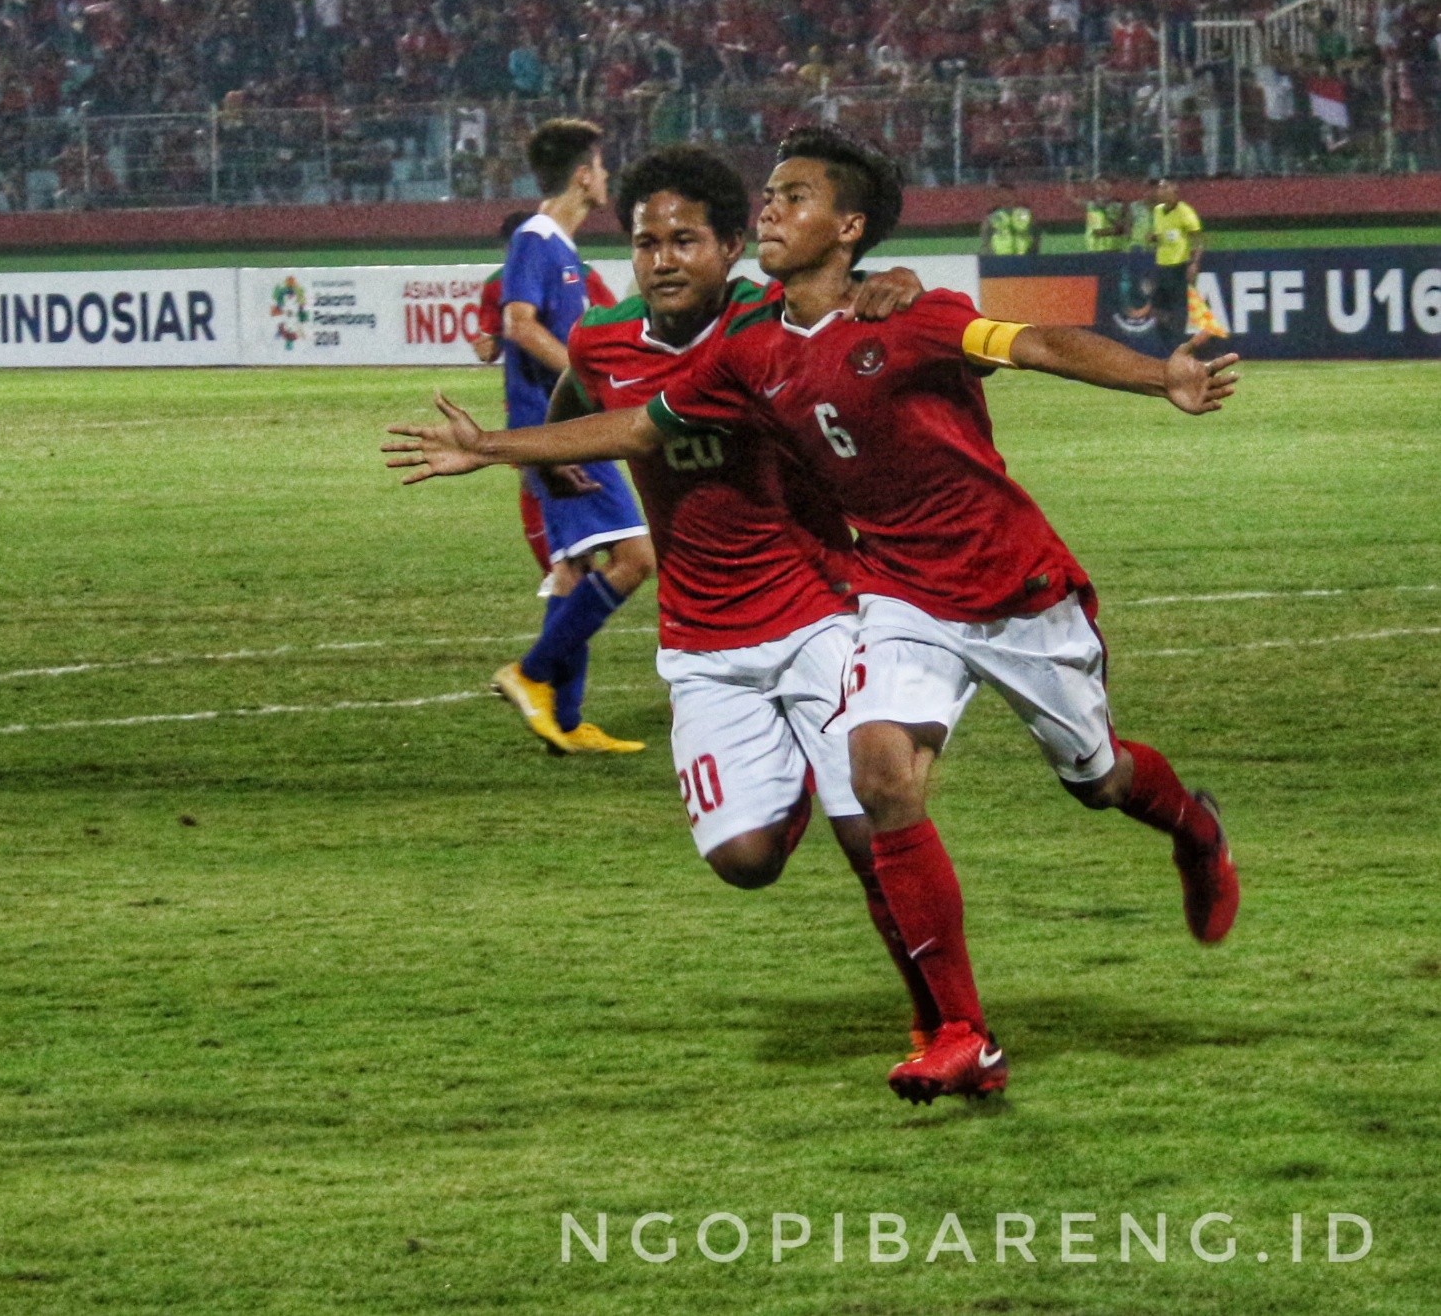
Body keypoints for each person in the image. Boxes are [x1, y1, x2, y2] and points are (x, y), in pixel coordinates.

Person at [385, 127, 1241, 1105]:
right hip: (890, 596)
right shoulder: (747, 351)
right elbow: (635, 422)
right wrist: (500, 445)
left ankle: (1190, 826)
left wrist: (1157, 374)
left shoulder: (909, 315)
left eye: (788, 198)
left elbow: (1037, 341)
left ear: (845, 227)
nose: (767, 212)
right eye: (768, 197)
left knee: (1096, 778)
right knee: (876, 784)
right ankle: (961, 1032)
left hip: (1012, 589)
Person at [528, 144, 951, 1052]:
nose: (662, 259)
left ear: (731, 248)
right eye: (645, 243)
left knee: (869, 837)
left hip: (818, 616)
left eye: (686, 240)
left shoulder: (775, 312)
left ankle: (941, 1022)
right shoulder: (605, 339)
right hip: (702, 642)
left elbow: (867, 290)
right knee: (744, 863)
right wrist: (562, 455)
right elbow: (574, 389)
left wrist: (896, 281)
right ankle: (791, 783)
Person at [490, 118, 653, 756]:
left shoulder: (561, 249)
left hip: (568, 428)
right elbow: (519, 325)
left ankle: (565, 720)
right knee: (637, 560)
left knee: (574, 570)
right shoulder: (536, 238)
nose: (607, 176)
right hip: (562, 433)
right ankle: (530, 674)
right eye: (603, 165)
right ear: (583, 175)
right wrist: (588, 376)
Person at [473, 210, 552, 575]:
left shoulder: (576, 272)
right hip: (529, 397)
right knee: (536, 478)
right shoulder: (495, 285)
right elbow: (491, 349)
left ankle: (567, 567)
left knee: (566, 478)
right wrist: (486, 346)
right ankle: (556, 571)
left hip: (568, 392)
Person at [1149, 177, 1203, 334]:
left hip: (1178, 266)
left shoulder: (1185, 212)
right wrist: (1154, 238)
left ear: (1174, 189)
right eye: (1160, 188)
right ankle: (1169, 334)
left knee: (1179, 308)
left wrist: (1194, 264)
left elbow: (1199, 240)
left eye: (1165, 187)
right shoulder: (1157, 210)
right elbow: (1163, 235)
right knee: (1156, 309)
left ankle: (1178, 345)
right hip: (1161, 265)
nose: (1161, 191)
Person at [978, 182, 1040, 255]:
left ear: (1014, 195)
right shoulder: (992, 216)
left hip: (1024, 257)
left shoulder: (1026, 213)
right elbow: (985, 236)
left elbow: (1036, 234)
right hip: (999, 257)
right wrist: (989, 254)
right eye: (1001, 194)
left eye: (1007, 194)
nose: (1004, 197)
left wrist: (1033, 252)